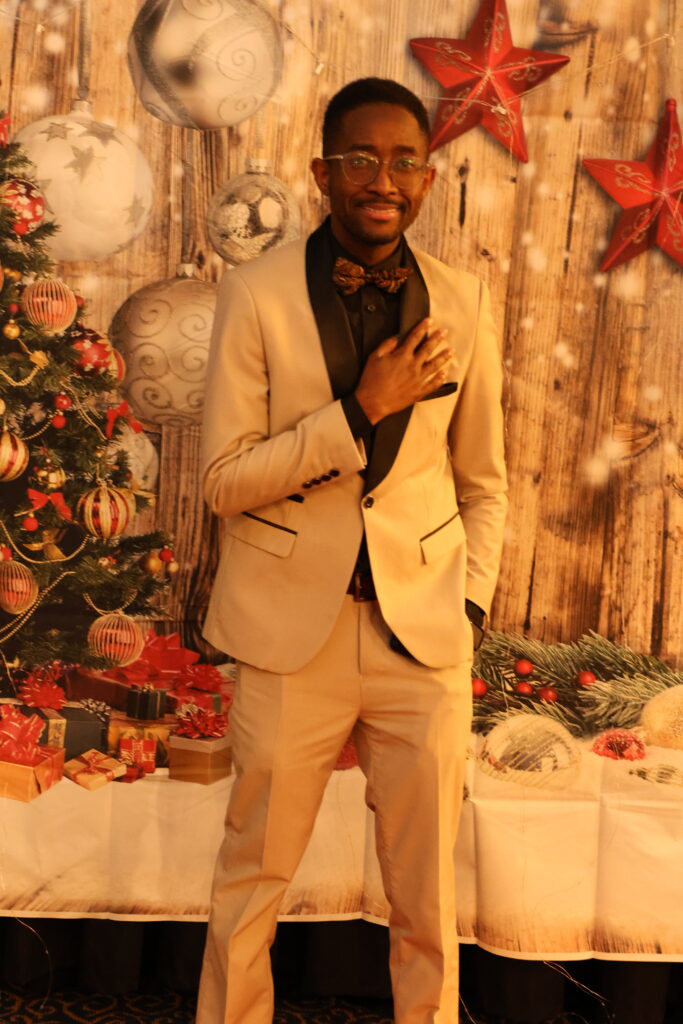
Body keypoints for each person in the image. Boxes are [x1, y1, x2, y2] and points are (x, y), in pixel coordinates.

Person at [196, 77, 508, 1024]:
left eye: (405, 160)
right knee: (252, 880)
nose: (384, 178)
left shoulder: (464, 299)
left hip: (424, 637)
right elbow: (224, 481)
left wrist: (468, 605)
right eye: (362, 158)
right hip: (293, 634)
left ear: (427, 178)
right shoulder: (253, 294)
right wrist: (358, 412)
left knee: (427, 896)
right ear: (322, 172)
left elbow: (484, 481)